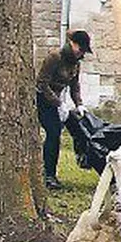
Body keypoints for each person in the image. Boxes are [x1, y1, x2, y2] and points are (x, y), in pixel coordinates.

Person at [35, 29, 90, 190]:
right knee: (54, 133)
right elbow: (41, 83)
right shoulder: (55, 57)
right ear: (72, 44)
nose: (81, 54)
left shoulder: (76, 63)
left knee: (79, 126)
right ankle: (49, 175)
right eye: (80, 49)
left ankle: (84, 158)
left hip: (57, 99)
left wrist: (79, 104)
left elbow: (74, 86)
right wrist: (58, 104)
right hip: (43, 99)